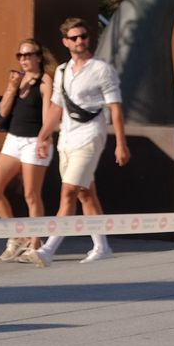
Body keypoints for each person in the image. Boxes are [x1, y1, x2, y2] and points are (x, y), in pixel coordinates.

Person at [35, 16, 128, 264]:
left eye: (84, 37)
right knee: (85, 194)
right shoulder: (63, 71)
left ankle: (48, 249)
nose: (80, 41)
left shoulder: (102, 70)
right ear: (65, 42)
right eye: (74, 38)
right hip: (67, 138)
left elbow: (115, 109)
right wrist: (43, 136)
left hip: (91, 136)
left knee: (68, 192)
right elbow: (56, 107)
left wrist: (121, 143)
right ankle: (102, 246)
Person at [0, 38, 60, 265]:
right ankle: (17, 236)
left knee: (31, 194)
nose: (24, 59)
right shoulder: (18, 79)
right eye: (20, 55)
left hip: (34, 141)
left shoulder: (45, 81)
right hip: (13, 141)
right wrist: (11, 87)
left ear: (38, 57)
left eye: (28, 55)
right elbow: (3, 112)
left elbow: (49, 115)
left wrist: (45, 138)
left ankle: (35, 244)